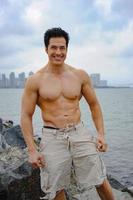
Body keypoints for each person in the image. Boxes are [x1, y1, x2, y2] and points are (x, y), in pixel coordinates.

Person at [20, 27, 115, 200]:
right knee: (55, 188)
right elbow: (26, 116)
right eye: (54, 47)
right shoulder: (36, 80)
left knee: (100, 180)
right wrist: (32, 150)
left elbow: (94, 105)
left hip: (79, 133)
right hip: (52, 137)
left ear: (67, 49)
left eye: (62, 48)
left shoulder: (79, 75)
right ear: (46, 49)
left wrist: (101, 134)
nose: (58, 52)